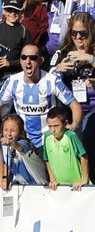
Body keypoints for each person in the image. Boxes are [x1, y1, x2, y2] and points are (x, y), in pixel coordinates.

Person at [0, 43, 81, 151]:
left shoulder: (52, 81)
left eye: (33, 58)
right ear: (20, 60)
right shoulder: (12, 81)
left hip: (49, 140)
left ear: (41, 61)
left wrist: (74, 125)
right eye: (24, 57)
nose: (28, 61)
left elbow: (74, 105)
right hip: (23, 141)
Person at [48, 12, 95, 179]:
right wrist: (58, 69)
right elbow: (48, 78)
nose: (78, 37)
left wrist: (89, 58)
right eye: (74, 33)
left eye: (83, 33)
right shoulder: (63, 52)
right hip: (70, 112)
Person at [0, 0, 30, 89]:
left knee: (8, 101)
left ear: (21, 12)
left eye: (16, 11)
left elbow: (27, 57)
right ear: (4, 11)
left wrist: (10, 63)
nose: (12, 13)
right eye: (9, 10)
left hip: (12, 75)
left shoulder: (24, 31)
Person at [44, 106, 89, 191]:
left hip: (77, 186)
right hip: (59, 187)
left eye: (56, 125)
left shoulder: (71, 136)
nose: (53, 130)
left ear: (66, 123)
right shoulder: (47, 137)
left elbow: (84, 157)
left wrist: (84, 180)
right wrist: (52, 179)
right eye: (50, 126)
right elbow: (47, 160)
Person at [0, 114, 48, 187]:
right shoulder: (4, 146)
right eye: (6, 130)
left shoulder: (25, 144)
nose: (8, 134)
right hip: (20, 185)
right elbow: (6, 164)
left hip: (38, 186)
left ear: (20, 131)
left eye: (13, 131)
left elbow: (19, 147)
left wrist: (10, 143)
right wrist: (5, 179)